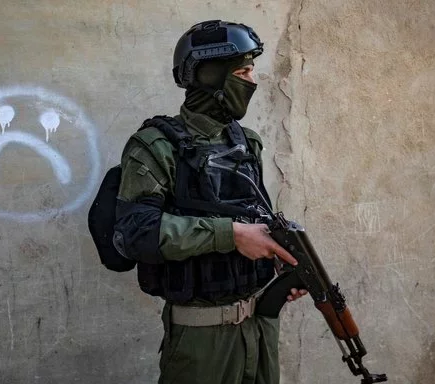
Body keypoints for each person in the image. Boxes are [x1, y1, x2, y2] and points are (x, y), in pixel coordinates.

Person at [114, 20, 307, 384]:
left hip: (261, 328)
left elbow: (254, 219)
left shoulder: (246, 143)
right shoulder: (156, 147)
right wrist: (231, 235)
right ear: (212, 76)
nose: (253, 80)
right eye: (244, 71)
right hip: (202, 340)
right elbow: (134, 233)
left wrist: (280, 265)